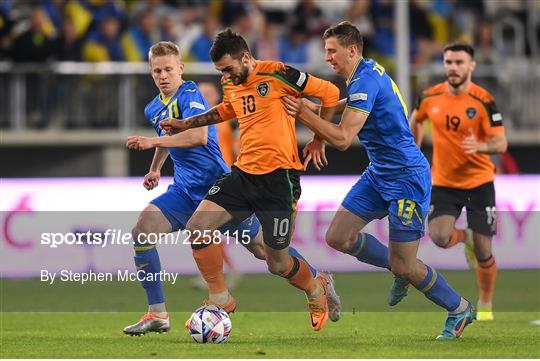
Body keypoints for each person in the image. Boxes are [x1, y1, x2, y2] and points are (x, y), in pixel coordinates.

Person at [281, 21, 475, 340]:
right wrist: (317, 131)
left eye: (332, 51)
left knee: (405, 266)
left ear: (352, 50)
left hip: (406, 178)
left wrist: (304, 114)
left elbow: (343, 138)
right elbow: (350, 106)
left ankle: (459, 308)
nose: (327, 57)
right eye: (326, 50)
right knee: (338, 237)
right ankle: (399, 265)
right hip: (379, 173)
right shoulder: (365, 74)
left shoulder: (365, 79)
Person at [123, 41, 321, 335]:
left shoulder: (190, 93)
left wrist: (152, 142)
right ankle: (158, 313)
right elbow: (169, 137)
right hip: (184, 192)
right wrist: (155, 167)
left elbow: (198, 137)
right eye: (156, 71)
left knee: (265, 251)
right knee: (141, 232)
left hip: (218, 191)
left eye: (168, 69)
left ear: (181, 69)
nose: (163, 75)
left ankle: (317, 281)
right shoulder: (154, 107)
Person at [410, 43, 507, 321]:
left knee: (485, 250)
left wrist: (480, 145)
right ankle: (465, 238)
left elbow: (501, 142)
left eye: (459, 62)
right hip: (444, 181)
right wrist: (415, 150)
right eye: (449, 62)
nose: (453, 67)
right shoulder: (430, 96)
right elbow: (416, 119)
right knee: (440, 237)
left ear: (471, 66)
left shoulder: (484, 101)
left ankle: (486, 304)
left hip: (479, 182)